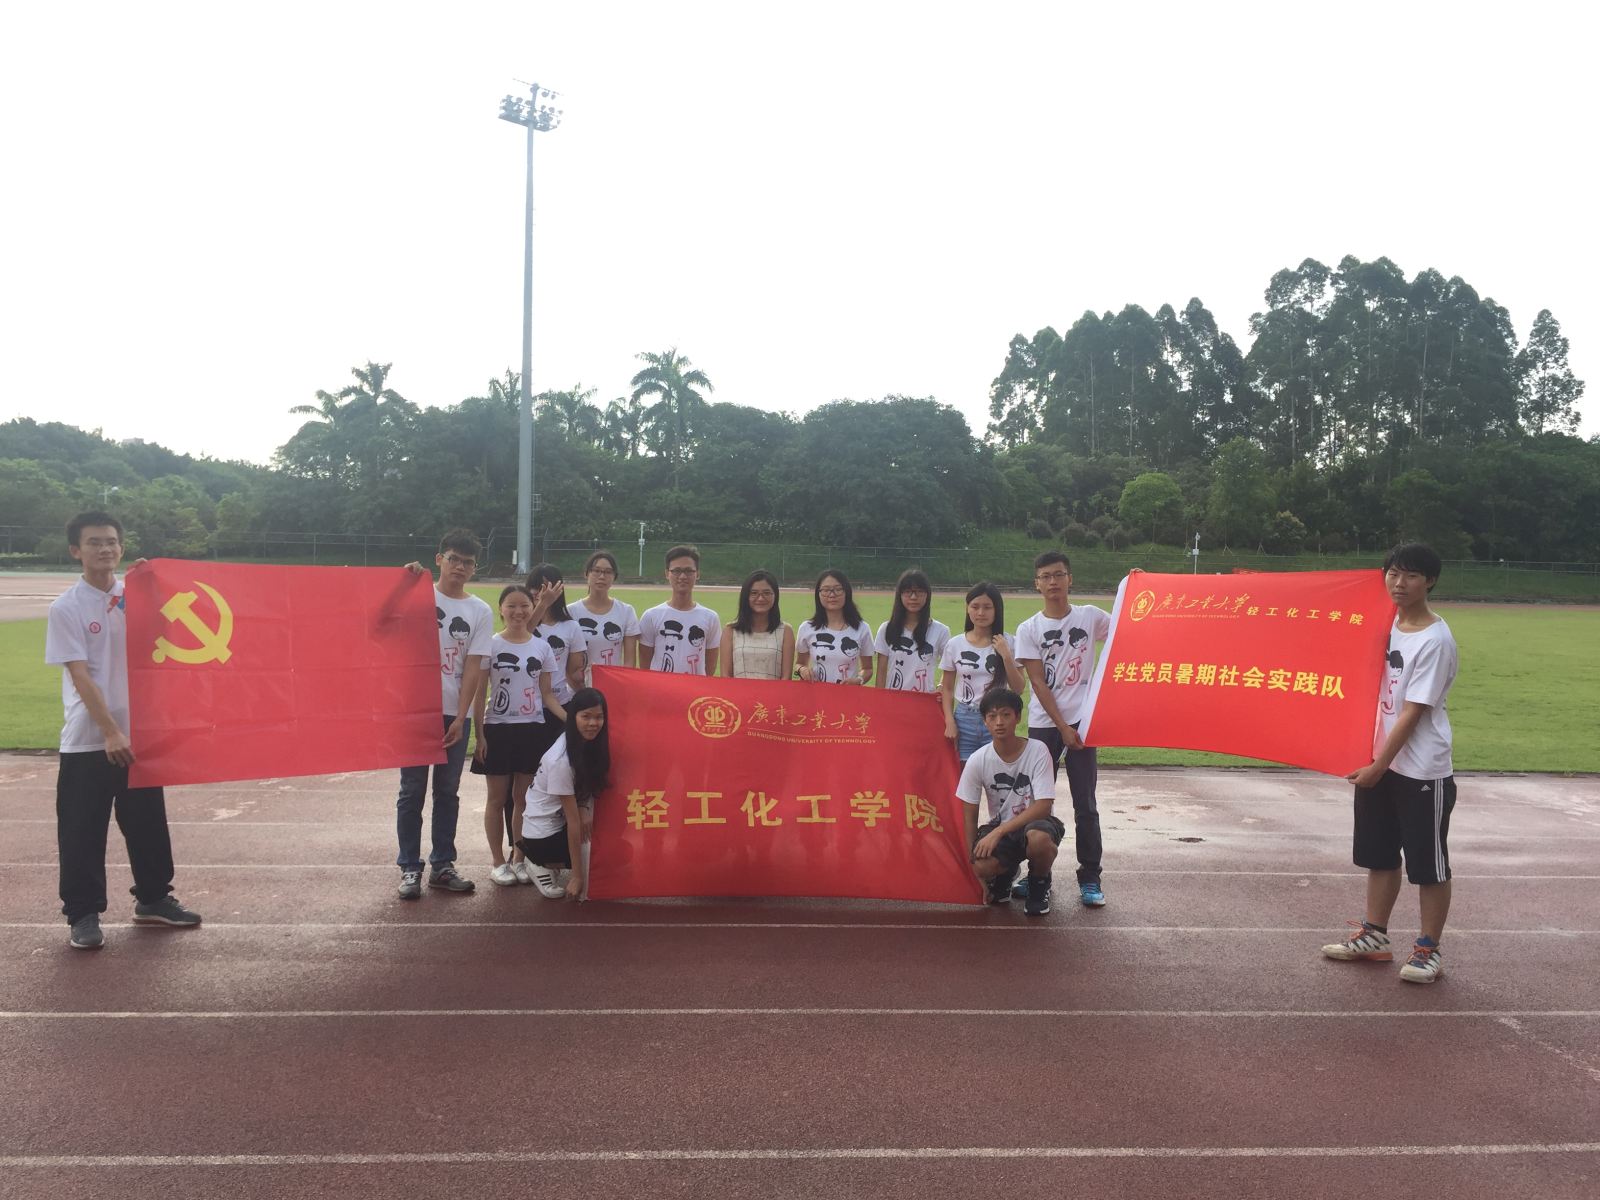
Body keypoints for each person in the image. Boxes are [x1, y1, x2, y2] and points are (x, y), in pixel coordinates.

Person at [46, 512, 201, 950]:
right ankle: (83, 913)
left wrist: (155, 589)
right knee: (82, 829)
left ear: (122, 547)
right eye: (94, 542)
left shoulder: (134, 597)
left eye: (111, 541)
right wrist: (111, 732)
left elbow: (168, 642)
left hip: (140, 734)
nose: (105, 549)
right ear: (76, 551)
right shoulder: (66, 608)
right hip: (90, 739)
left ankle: (153, 898)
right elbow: (80, 675)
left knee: (147, 823)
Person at [1321, 543, 1460, 985]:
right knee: (1379, 854)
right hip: (1377, 761)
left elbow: (1412, 712)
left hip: (1420, 769)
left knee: (1428, 864)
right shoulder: (1384, 623)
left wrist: (1380, 765)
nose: (1399, 584)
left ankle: (1428, 949)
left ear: (1430, 581)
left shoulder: (1435, 640)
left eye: (1411, 576)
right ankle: (1375, 936)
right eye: (1393, 574)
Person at [396, 529, 492, 899]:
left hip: (454, 712)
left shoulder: (479, 611)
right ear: (439, 559)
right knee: (411, 790)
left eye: (468, 562)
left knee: (447, 791)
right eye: (454, 559)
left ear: (474, 568)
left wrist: (460, 716)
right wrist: (402, 584)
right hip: (414, 710)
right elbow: (380, 619)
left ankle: (442, 864)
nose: (460, 567)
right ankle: (409, 866)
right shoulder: (418, 596)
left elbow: (473, 667)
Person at [1014, 551, 1112, 908]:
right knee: (1038, 803)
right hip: (1045, 725)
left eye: (1059, 575)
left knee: (1085, 802)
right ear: (1036, 584)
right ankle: (1037, 874)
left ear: (1070, 579)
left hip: (1084, 724)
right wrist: (1063, 728)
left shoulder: (1090, 616)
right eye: (1046, 576)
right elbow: (1038, 683)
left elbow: (1128, 630)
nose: (1053, 582)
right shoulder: (1029, 628)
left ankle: (1090, 877)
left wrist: (1132, 586)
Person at [470, 585, 564, 887]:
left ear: (532, 608)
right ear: (501, 609)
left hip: (531, 728)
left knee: (523, 799)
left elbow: (547, 695)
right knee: (496, 799)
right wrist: (480, 735)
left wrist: (571, 720)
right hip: (497, 729)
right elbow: (479, 693)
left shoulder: (542, 647)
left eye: (524, 605)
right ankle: (498, 862)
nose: (518, 612)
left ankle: (519, 858)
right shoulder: (491, 645)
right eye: (511, 606)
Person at [958, 687, 1064, 916]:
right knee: (981, 864)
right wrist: (974, 874)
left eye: (1006, 715)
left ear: (1018, 717)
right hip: (1002, 827)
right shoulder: (978, 760)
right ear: (985, 721)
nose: (999, 722)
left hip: (1037, 823)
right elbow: (969, 817)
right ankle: (1005, 873)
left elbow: (1043, 805)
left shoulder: (1038, 751)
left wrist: (998, 832)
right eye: (992, 716)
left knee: (1039, 839)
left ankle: (1039, 883)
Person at [518, 686, 611, 900]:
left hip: (558, 822)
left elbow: (586, 786)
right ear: (573, 717)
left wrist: (584, 807)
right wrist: (577, 876)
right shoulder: (560, 761)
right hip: (542, 835)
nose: (593, 723)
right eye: (586, 716)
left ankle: (556, 863)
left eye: (599, 717)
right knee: (606, 854)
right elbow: (573, 822)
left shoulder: (585, 743)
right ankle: (540, 863)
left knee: (615, 848)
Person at [938, 582, 1024, 763]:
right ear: (967, 609)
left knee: (996, 772)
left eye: (987, 607)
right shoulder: (955, 644)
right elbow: (947, 688)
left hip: (997, 719)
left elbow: (1018, 688)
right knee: (964, 774)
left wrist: (1006, 656)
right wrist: (949, 721)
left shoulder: (1009, 642)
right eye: (975, 607)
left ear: (997, 609)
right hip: (964, 718)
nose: (980, 613)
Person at [638, 545, 723, 675]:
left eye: (689, 571)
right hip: (660, 686)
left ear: (698, 574)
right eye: (676, 571)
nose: (683, 576)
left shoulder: (710, 618)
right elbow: (645, 665)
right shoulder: (651, 616)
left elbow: (710, 667)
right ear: (667, 573)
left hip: (695, 687)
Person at [875, 568, 950, 693]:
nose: (913, 597)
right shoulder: (886, 629)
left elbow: (949, 667)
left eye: (919, 591)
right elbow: (881, 672)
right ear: (899, 595)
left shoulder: (941, 631)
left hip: (924, 700)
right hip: (893, 699)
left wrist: (941, 685)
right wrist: (878, 699)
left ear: (927, 595)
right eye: (908, 592)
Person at [568, 550, 640, 678]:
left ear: (614, 576)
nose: (602, 576)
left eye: (608, 572)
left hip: (612, 685)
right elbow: (567, 662)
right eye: (596, 571)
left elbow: (629, 662)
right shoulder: (571, 612)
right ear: (586, 574)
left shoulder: (626, 611)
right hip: (580, 686)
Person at [795, 570, 874, 685]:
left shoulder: (862, 628)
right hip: (817, 693)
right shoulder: (807, 628)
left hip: (848, 694)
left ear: (846, 592)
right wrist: (802, 670)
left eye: (838, 589)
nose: (832, 595)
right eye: (826, 590)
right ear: (818, 594)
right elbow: (799, 663)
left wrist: (858, 680)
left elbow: (868, 668)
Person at [723, 569, 794, 680]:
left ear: (775, 596)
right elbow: (726, 676)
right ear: (746, 596)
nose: (760, 598)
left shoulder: (786, 631)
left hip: (774, 691)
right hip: (739, 691)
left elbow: (786, 678)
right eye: (754, 593)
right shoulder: (730, 630)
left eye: (767, 593)